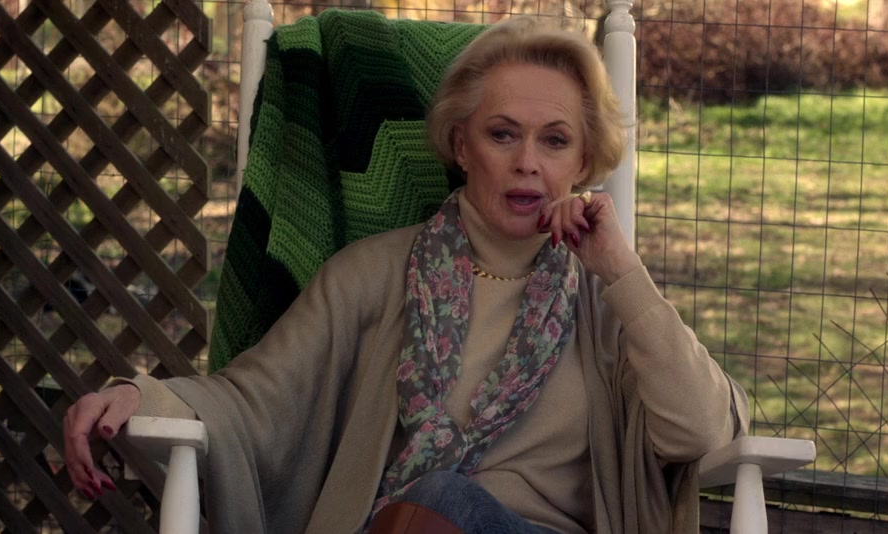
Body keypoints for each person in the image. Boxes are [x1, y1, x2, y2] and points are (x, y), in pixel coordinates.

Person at [63, 14, 746, 534]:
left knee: (442, 498)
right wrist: (139, 398)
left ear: (585, 161)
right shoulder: (371, 275)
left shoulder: (609, 301)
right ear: (461, 144)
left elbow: (704, 432)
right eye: (502, 133)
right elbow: (252, 402)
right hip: (402, 524)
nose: (528, 162)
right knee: (434, 503)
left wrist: (622, 271)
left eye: (556, 140)